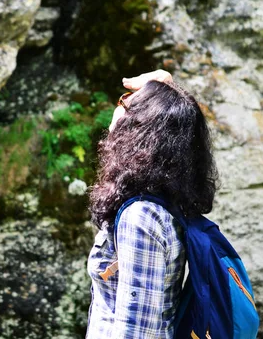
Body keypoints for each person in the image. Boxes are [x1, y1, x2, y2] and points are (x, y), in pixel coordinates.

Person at [85, 70, 219, 339]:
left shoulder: (141, 217)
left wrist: (164, 99)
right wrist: (164, 92)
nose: (117, 108)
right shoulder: (161, 201)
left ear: (140, 129)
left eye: (125, 102)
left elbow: (137, 331)